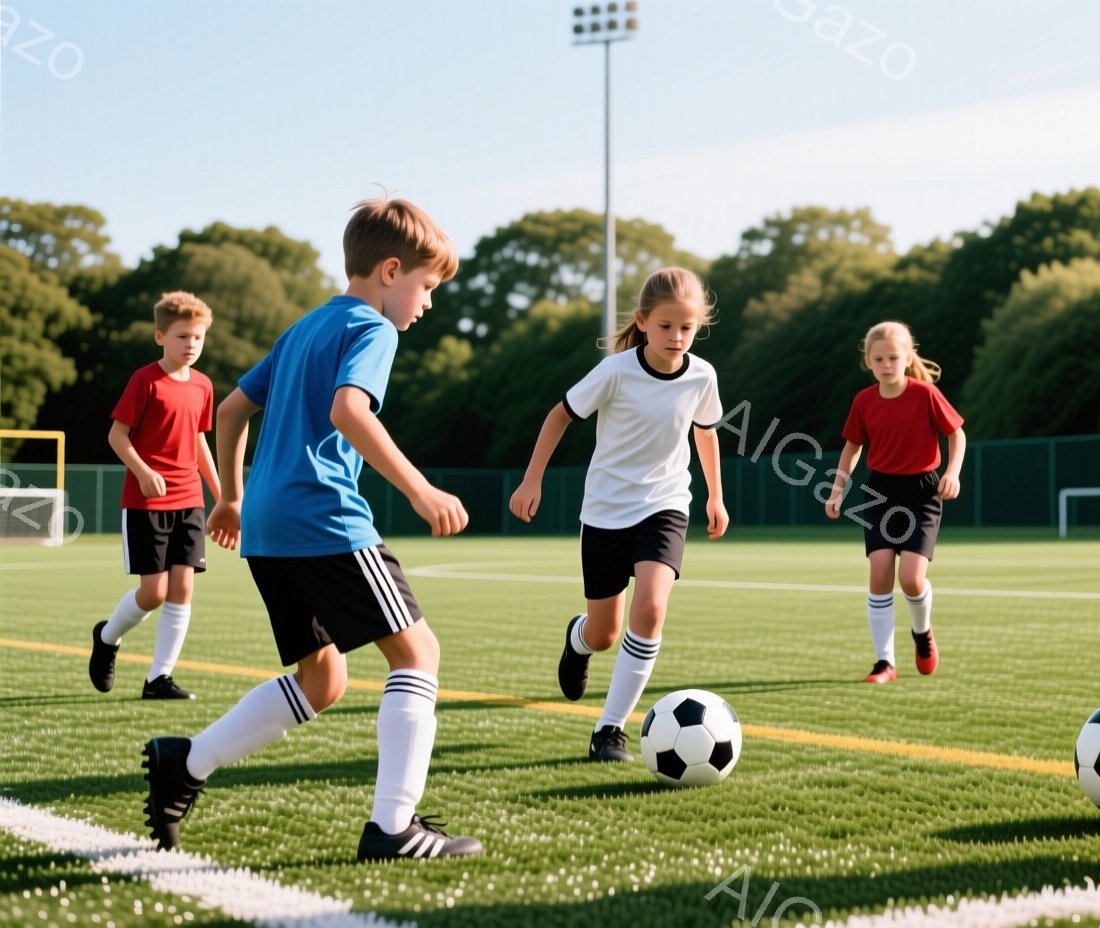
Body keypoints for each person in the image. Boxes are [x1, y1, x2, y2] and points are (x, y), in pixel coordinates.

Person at [143, 197, 483, 861]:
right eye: (428, 286)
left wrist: (234, 498)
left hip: (270, 526)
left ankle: (186, 763)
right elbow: (349, 410)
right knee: (419, 656)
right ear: (391, 271)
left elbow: (233, 409)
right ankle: (393, 830)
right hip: (322, 516)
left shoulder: (303, 328)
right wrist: (420, 489)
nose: (428, 303)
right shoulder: (372, 329)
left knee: (322, 679)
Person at [509, 266, 727, 763]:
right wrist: (531, 479)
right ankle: (577, 640)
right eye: (666, 326)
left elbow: (706, 432)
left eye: (687, 328)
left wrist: (715, 496)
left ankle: (609, 730)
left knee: (650, 608)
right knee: (604, 632)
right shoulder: (615, 371)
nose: (677, 337)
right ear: (645, 322)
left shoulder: (703, 375)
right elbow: (559, 414)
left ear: (698, 328)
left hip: (666, 505)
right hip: (605, 512)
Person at [90, 292, 220, 701]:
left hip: (190, 500)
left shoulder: (203, 385)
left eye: (198, 337)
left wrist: (225, 494)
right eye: (182, 336)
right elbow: (117, 435)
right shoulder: (144, 380)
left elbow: (199, 440)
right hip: (147, 502)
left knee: (183, 587)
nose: (191, 345)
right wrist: (143, 471)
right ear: (160, 336)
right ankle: (107, 637)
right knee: (154, 592)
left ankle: (158, 679)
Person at [824, 321, 965, 685]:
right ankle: (884, 663)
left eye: (893, 357)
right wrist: (838, 489)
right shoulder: (864, 401)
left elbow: (956, 434)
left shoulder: (924, 394)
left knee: (912, 579)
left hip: (923, 493)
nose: (886, 364)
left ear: (907, 358)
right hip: (880, 493)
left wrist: (953, 472)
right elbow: (852, 447)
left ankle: (922, 633)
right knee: (881, 575)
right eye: (879, 358)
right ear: (868, 362)